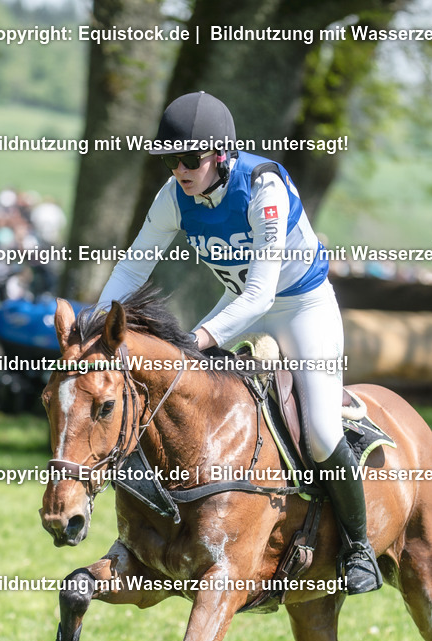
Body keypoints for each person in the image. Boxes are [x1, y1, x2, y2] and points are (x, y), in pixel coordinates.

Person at [96, 92, 381, 595]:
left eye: (190, 159)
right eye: (170, 159)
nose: (179, 169)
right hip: (239, 303)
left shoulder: (263, 187)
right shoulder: (174, 196)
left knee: (319, 432)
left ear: (222, 154)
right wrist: (96, 328)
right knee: (179, 392)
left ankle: (359, 549)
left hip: (300, 307)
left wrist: (197, 339)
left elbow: (261, 296)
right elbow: (133, 267)